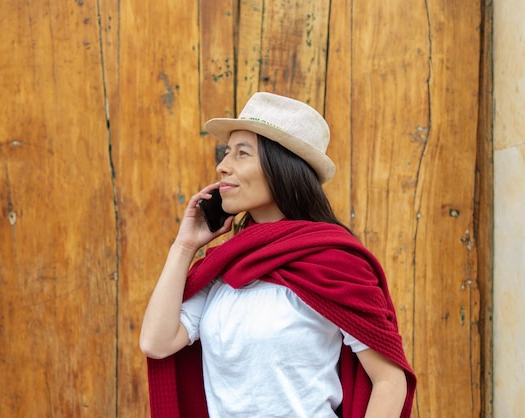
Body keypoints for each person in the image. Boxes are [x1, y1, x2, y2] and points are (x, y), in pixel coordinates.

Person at [140, 92, 416, 418]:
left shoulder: (335, 263)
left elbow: (388, 379)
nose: (222, 166)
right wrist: (184, 247)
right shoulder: (225, 267)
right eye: (226, 152)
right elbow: (156, 344)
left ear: (281, 168)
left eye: (242, 153)